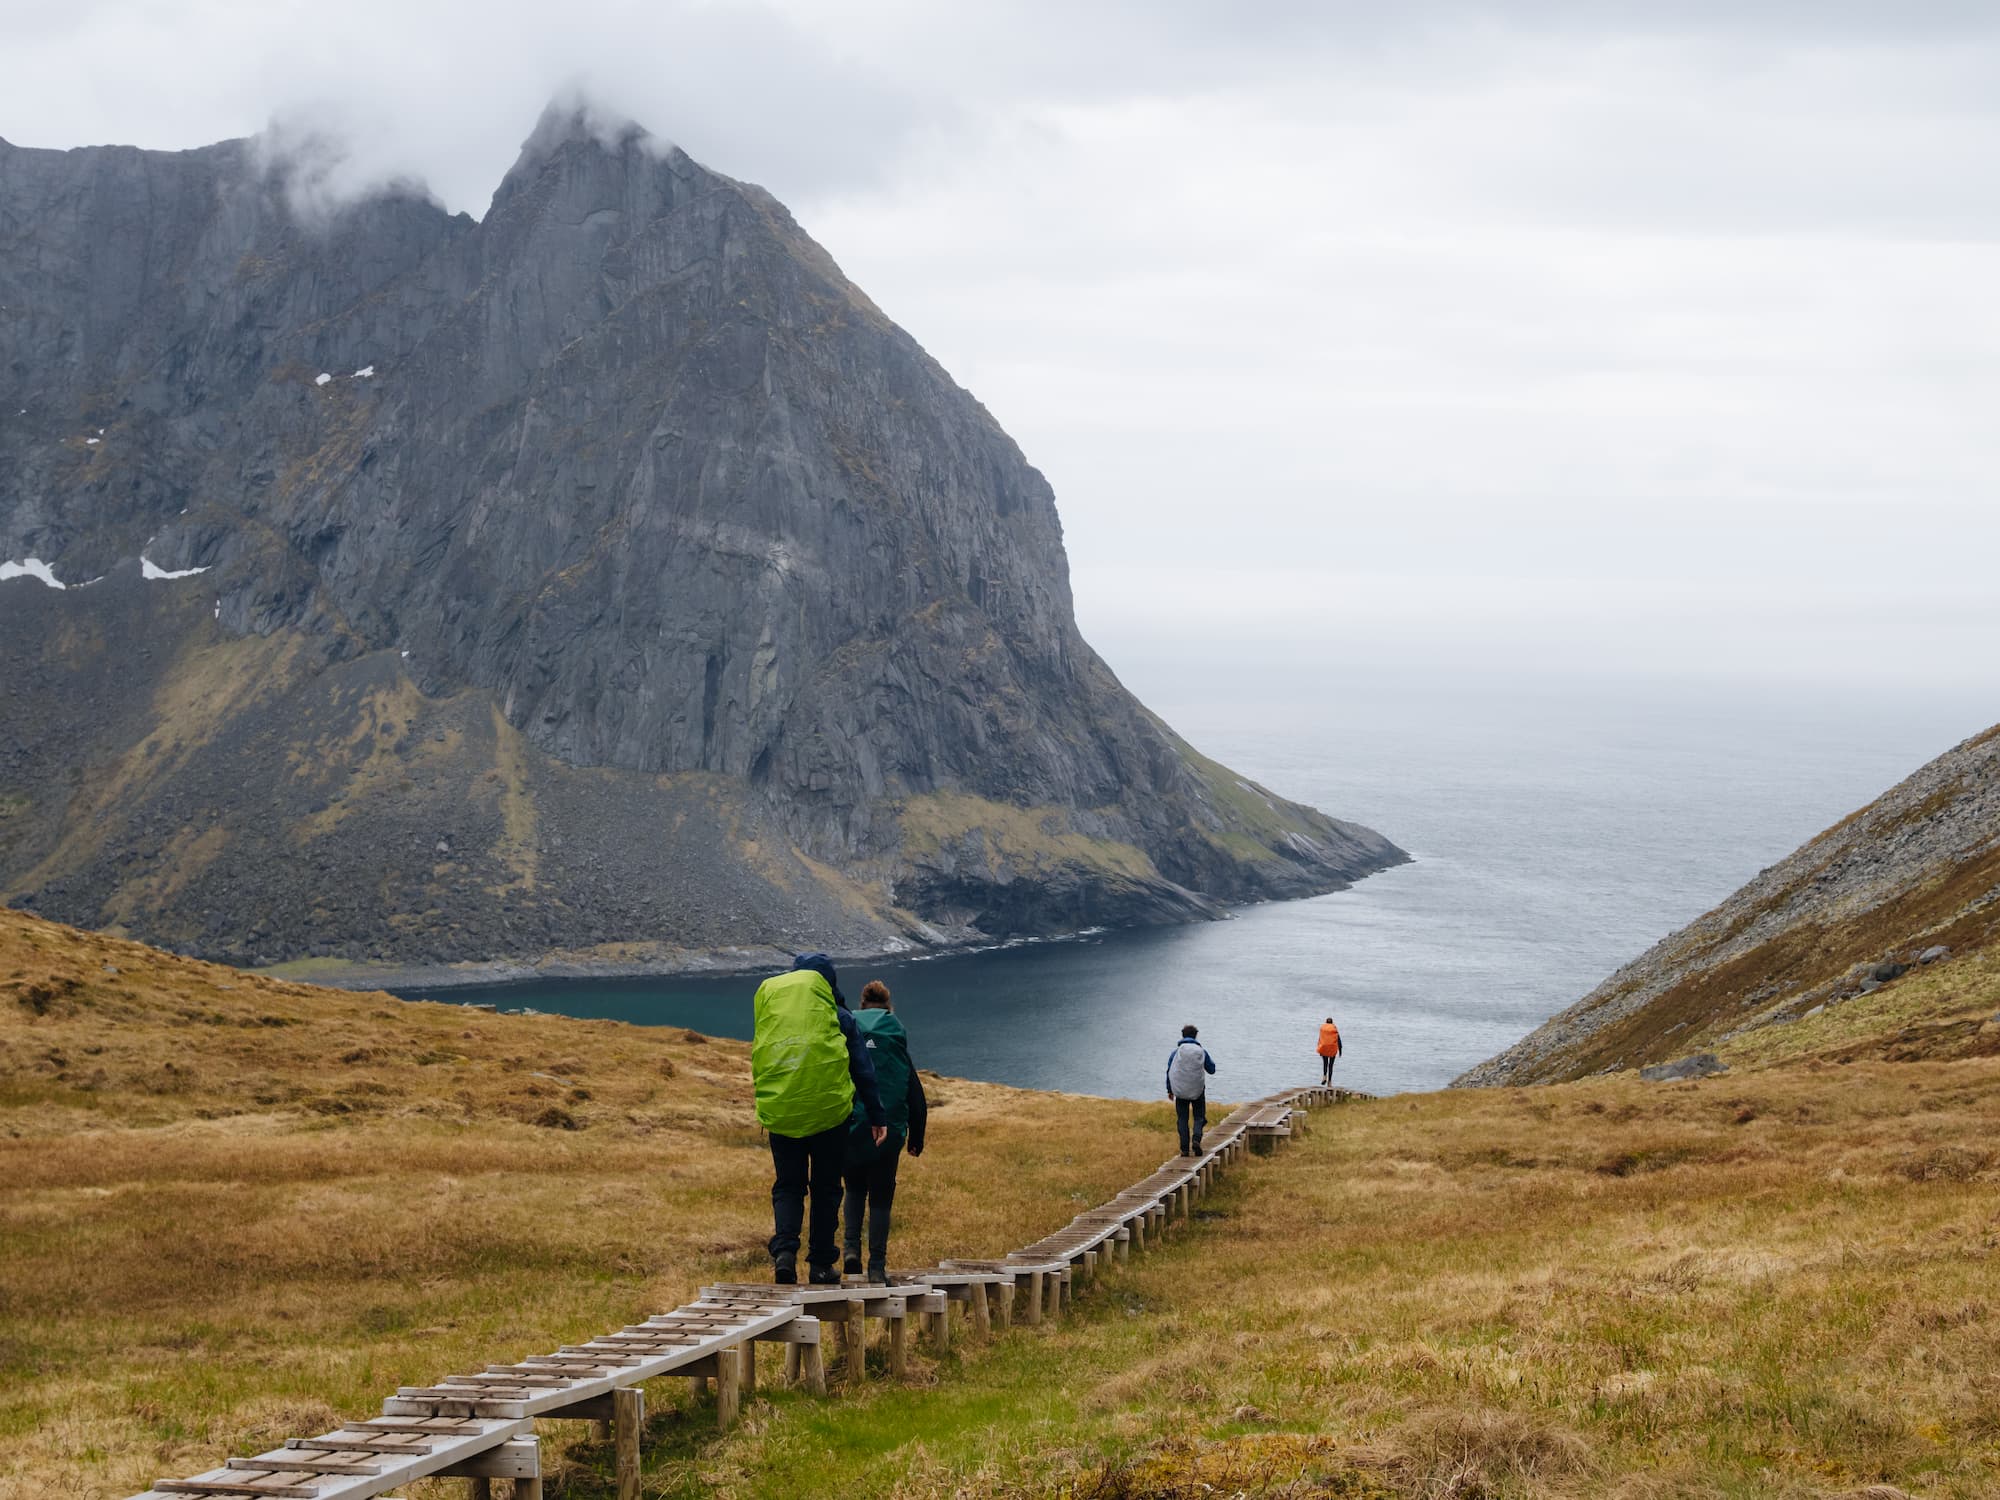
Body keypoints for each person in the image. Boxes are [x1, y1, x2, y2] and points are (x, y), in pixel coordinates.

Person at [751, 952, 887, 1285]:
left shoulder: (776, 1012)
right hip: (829, 1116)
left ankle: (784, 1255)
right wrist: (876, 1113)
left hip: (783, 1113)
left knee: (788, 1186)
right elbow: (862, 1068)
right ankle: (822, 1264)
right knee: (826, 1188)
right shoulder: (839, 1016)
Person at [840, 980, 928, 1284]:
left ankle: (850, 1249)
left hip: (851, 1125)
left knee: (853, 1188)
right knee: (880, 1197)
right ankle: (876, 1266)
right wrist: (916, 1138)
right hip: (887, 1131)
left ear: (861, 1005)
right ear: (888, 1006)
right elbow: (914, 1092)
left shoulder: (848, 1030)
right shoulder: (894, 1035)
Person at [1165, 1023, 1215, 1156]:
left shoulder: (1176, 1053)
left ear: (1183, 1035)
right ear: (1196, 1036)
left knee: (1182, 1119)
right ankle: (1196, 1139)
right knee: (1199, 1117)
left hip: (1180, 1092)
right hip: (1198, 1090)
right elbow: (1212, 1070)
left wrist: (1170, 1090)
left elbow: (1169, 1071)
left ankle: (1184, 1150)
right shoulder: (1201, 1052)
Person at [1317, 1016, 1343, 1085]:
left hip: (1324, 1049)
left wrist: (1320, 1050)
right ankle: (1329, 1082)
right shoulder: (1334, 1030)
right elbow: (1339, 1041)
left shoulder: (1323, 1030)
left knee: (1325, 1064)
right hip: (1332, 1050)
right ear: (1332, 1023)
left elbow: (1320, 1040)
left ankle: (1324, 1077)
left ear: (1326, 1022)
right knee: (1330, 1065)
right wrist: (1340, 1051)